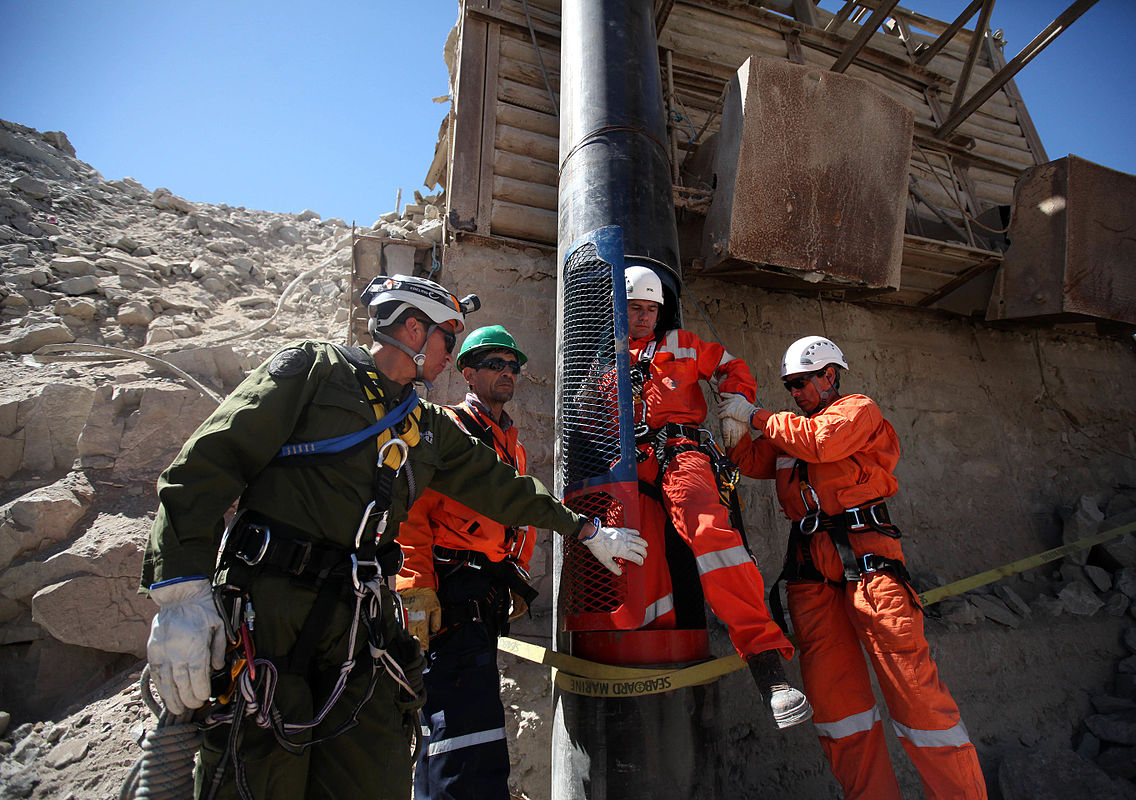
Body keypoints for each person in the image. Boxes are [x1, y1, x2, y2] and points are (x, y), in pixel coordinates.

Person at [140, 275, 647, 800]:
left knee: (371, 768)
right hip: (269, 609)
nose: (452, 354)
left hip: (361, 620)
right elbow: (206, 465)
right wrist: (180, 595)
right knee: (259, 770)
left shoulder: (426, 426)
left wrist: (585, 529)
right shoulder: (315, 370)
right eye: (448, 339)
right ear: (412, 327)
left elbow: (503, 488)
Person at [718, 335, 987, 799]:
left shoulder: (857, 411)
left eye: (802, 382)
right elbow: (745, 459)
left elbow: (823, 444)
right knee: (837, 707)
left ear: (830, 376)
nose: (797, 393)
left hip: (870, 566)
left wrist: (757, 415)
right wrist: (732, 416)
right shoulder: (789, 435)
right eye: (790, 386)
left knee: (916, 695)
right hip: (810, 573)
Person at [620, 265, 810, 730]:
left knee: (714, 537)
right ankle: (648, 674)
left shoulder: (681, 344)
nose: (644, 317)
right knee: (639, 566)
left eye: (651, 309)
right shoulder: (605, 357)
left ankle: (768, 669)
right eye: (635, 309)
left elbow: (731, 367)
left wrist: (736, 410)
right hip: (628, 468)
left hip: (680, 453)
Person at [396, 324, 537, 800]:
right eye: (495, 363)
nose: (507, 372)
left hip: (485, 591)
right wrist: (415, 585)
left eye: (512, 365)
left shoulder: (510, 444)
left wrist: (515, 577)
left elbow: (520, 515)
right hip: (451, 587)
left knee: (464, 715)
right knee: (462, 716)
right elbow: (410, 510)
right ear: (468, 373)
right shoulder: (448, 429)